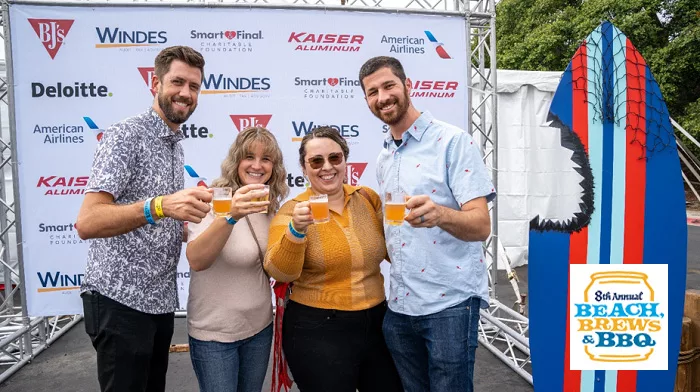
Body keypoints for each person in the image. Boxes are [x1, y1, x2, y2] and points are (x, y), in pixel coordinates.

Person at [76, 46, 211, 392]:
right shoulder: (126, 135)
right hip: (120, 302)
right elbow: (88, 222)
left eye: (194, 86)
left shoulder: (174, 142)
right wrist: (161, 206)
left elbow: (157, 217)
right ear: (155, 83)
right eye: (177, 82)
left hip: (158, 301)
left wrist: (198, 223)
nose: (185, 93)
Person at [359, 56, 496, 392]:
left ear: (408, 85)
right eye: (372, 92)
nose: (382, 97)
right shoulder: (384, 156)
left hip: (450, 303)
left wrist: (441, 214)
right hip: (401, 305)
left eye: (389, 85)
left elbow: (481, 226)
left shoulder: (452, 142)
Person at [264, 127, 403, 392]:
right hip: (317, 328)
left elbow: (389, 250)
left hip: (376, 321)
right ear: (304, 169)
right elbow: (280, 271)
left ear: (345, 161)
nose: (327, 167)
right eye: (316, 161)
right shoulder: (294, 210)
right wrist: (296, 231)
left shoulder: (367, 198)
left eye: (335, 158)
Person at [185, 126, 289, 392]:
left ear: (274, 167)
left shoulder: (268, 206)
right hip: (215, 336)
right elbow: (197, 260)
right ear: (236, 162)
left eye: (266, 159)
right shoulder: (212, 200)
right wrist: (231, 216)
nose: (257, 165)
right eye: (249, 157)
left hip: (259, 329)